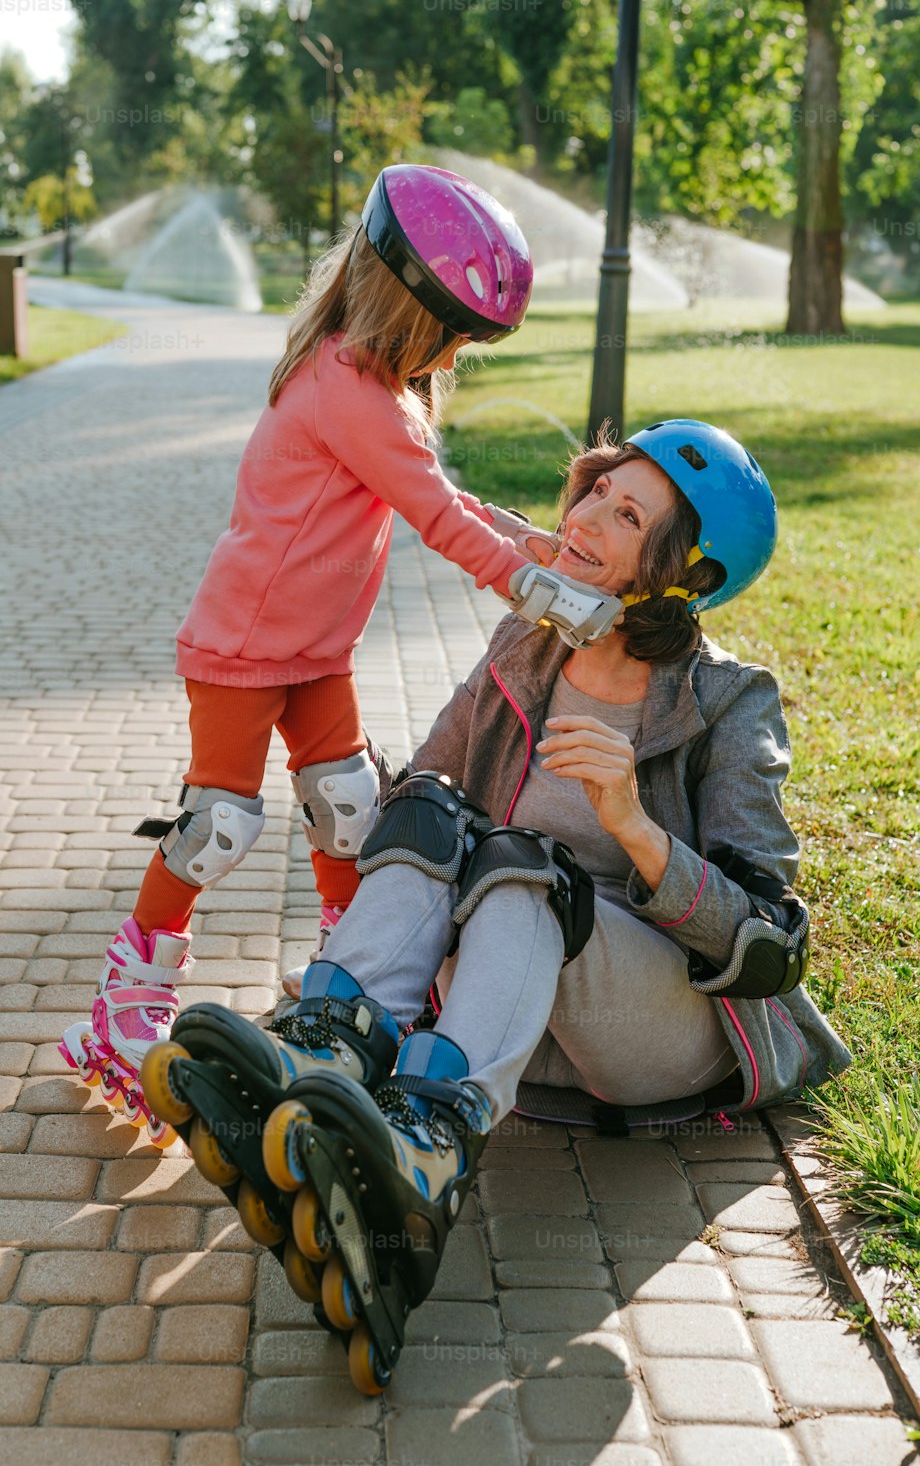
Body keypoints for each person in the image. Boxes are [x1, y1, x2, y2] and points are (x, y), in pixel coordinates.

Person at [143, 417, 851, 1391]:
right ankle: (328, 1052)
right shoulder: (530, 641)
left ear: (680, 573)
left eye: (627, 513)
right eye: (598, 490)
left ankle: (426, 1142)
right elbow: (423, 804)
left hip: (657, 1028)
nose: (587, 514)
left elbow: (769, 946)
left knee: (525, 867)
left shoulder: (727, 700)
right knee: (430, 810)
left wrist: (636, 828)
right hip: (507, 1013)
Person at [57, 163, 613, 1143]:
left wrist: (530, 543)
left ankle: (349, 994)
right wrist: (536, 590)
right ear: (410, 310)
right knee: (217, 826)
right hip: (243, 648)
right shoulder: (347, 389)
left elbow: (443, 496)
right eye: (450, 335)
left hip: (317, 653)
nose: (451, 355)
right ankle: (121, 1008)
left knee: (349, 816)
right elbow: (436, 518)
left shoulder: (373, 387)